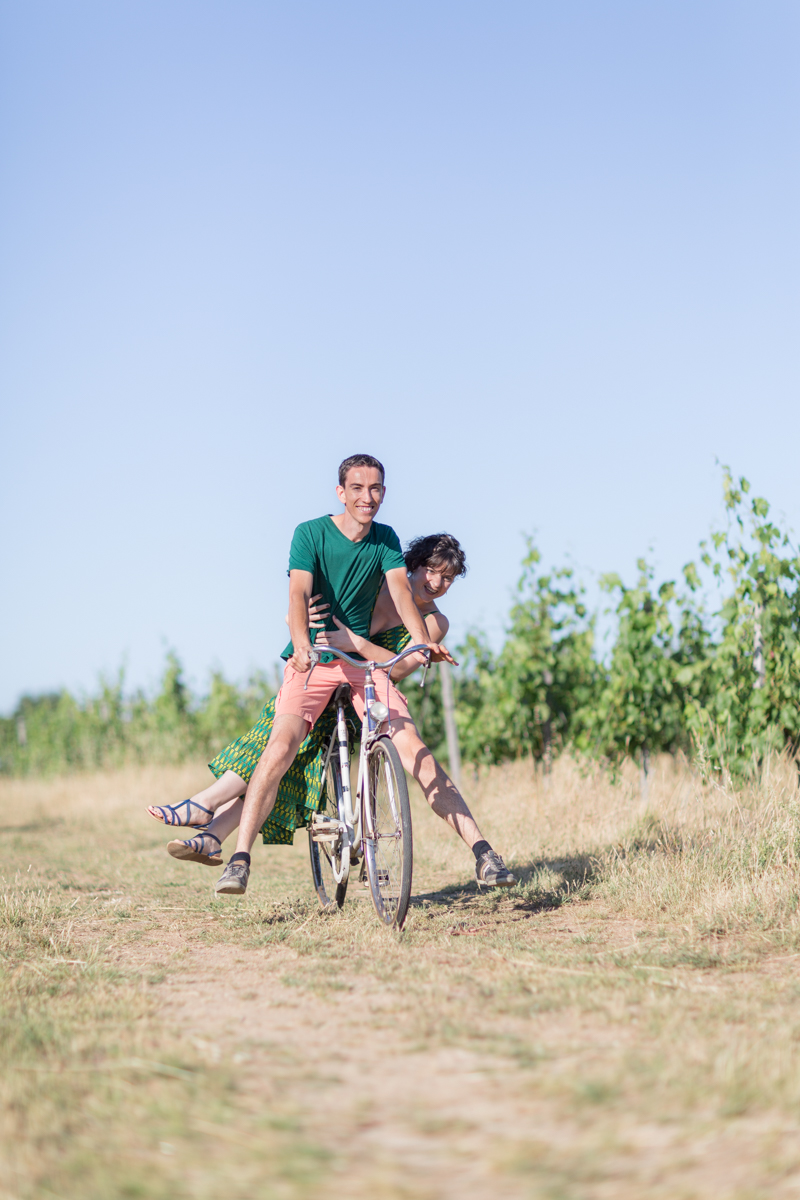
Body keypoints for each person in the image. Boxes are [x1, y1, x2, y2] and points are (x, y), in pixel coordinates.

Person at [149, 454, 514, 895]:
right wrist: (301, 633)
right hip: (320, 666)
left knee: (417, 753)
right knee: (281, 749)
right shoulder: (369, 563)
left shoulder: (428, 614)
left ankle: (483, 852)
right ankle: (231, 849)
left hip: (368, 677)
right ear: (411, 562)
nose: (436, 583)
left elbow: (398, 661)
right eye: (430, 571)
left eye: (448, 578)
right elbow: (303, 596)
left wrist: (383, 643)